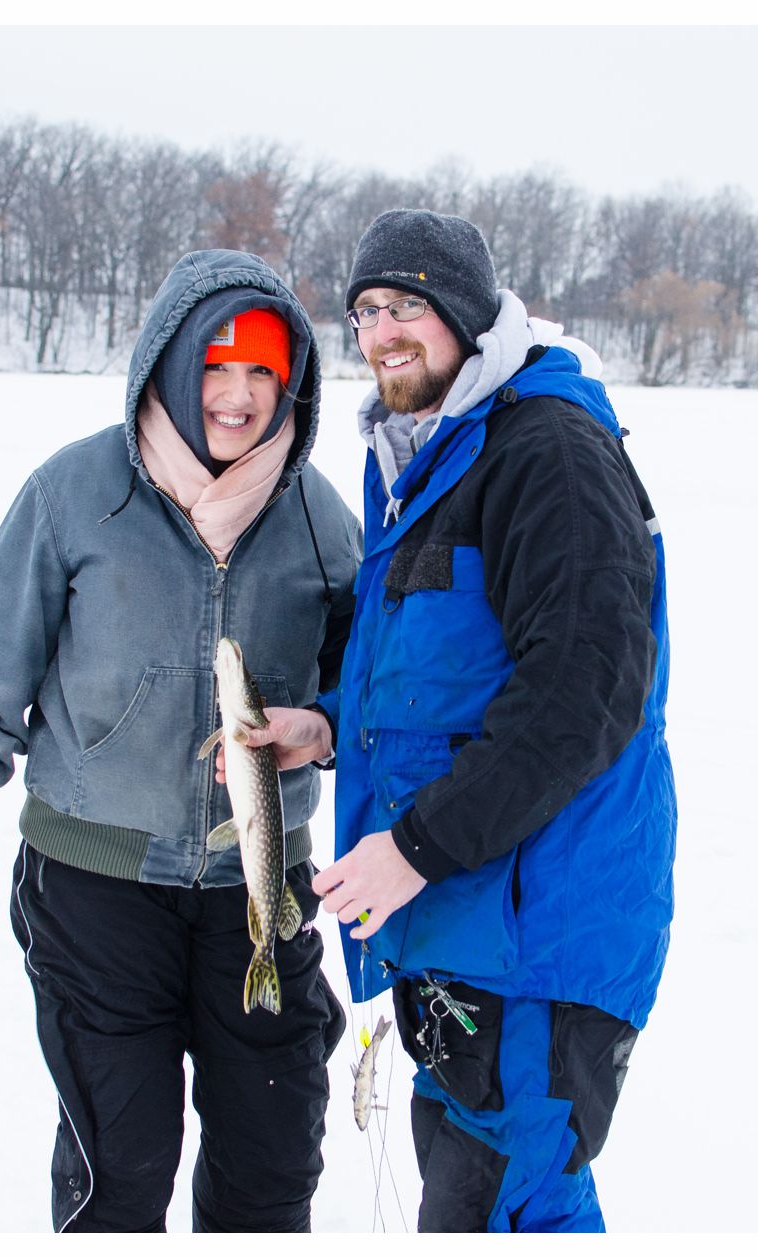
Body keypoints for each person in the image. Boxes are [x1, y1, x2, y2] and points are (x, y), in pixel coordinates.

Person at [0, 249, 360, 1233]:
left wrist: (320, 730)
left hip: (261, 889)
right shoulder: (74, 493)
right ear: (171, 362)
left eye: (261, 372)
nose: (236, 396)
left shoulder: (319, 515)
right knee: (120, 1169)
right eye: (215, 366)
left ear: (291, 382)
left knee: (270, 1177)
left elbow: (369, 697)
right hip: (95, 893)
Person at [243, 209, 677, 1231]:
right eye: (364, 310)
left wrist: (418, 846)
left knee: (509, 1207)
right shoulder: (434, 456)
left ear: (470, 316)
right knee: (467, 1191)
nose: (382, 331)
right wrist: (326, 726)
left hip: (536, 938)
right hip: (456, 929)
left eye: (408, 306)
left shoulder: (547, 452)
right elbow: (436, 674)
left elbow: (585, 691)